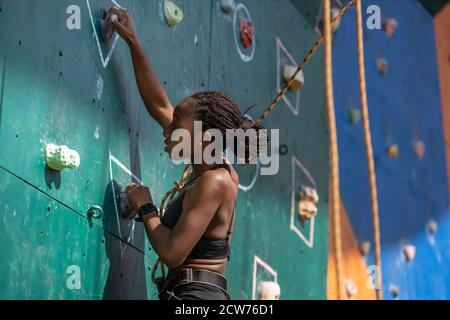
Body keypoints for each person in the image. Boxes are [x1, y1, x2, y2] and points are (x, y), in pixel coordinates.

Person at [106, 6, 266, 300]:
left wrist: (146, 206)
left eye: (177, 125)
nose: (168, 131)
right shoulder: (209, 162)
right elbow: (160, 105)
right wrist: (133, 42)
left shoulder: (214, 181)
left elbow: (172, 252)